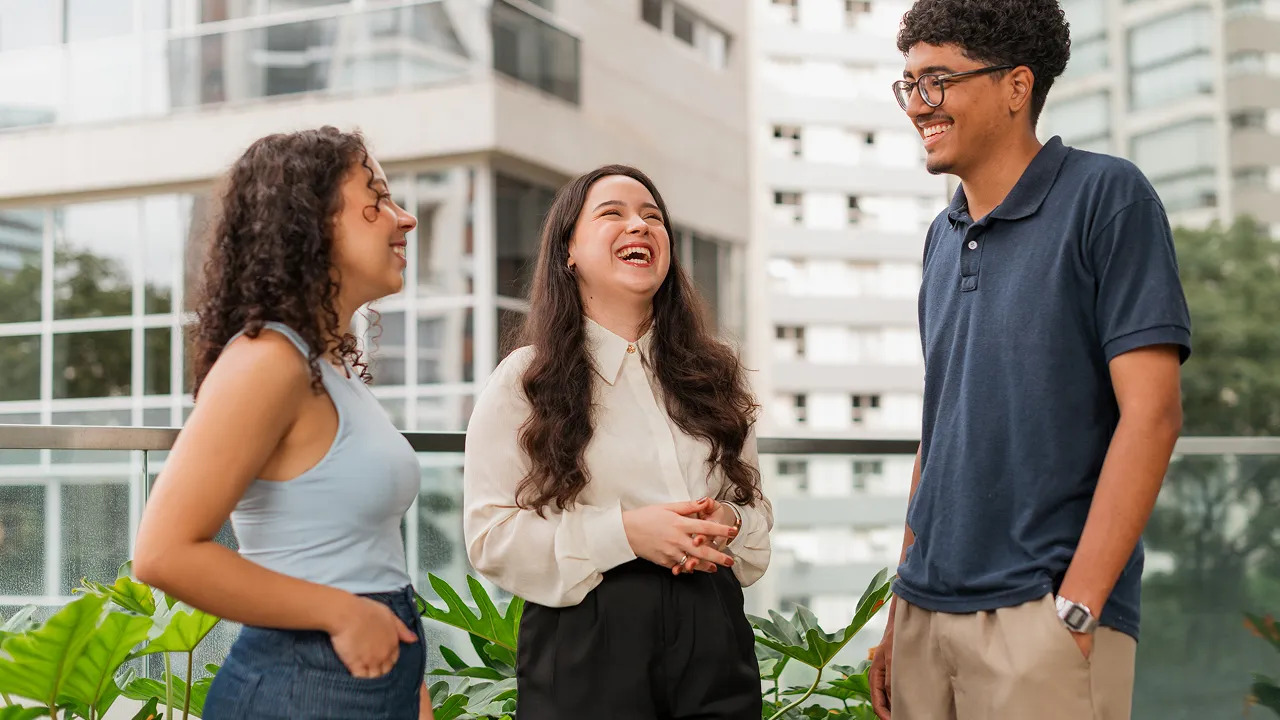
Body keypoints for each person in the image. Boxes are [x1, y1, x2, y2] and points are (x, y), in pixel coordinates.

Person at [868, 1, 1192, 719]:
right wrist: (899, 610)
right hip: (925, 615)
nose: (920, 104)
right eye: (910, 83)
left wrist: (1077, 610)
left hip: (1041, 620)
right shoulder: (941, 236)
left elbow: (1154, 413)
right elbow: (940, 431)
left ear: (1017, 86)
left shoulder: (1108, 197)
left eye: (939, 81)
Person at [133, 127, 435, 720]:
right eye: (378, 198)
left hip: (362, 678)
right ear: (312, 220)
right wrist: (344, 613)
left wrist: (410, 690)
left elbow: (367, 554)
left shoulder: (329, 367)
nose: (406, 220)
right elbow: (163, 553)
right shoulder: (267, 361)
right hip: (302, 686)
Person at [463, 164, 772, 719]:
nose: (640, 226)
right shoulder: (524, 379)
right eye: (613, 214)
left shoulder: (716, 375)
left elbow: (755, 511)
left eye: (653, 217)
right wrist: (628, 533)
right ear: (569, 252)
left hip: (715, 630)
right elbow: (490, 536)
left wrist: (727, 522)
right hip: (587, 636)